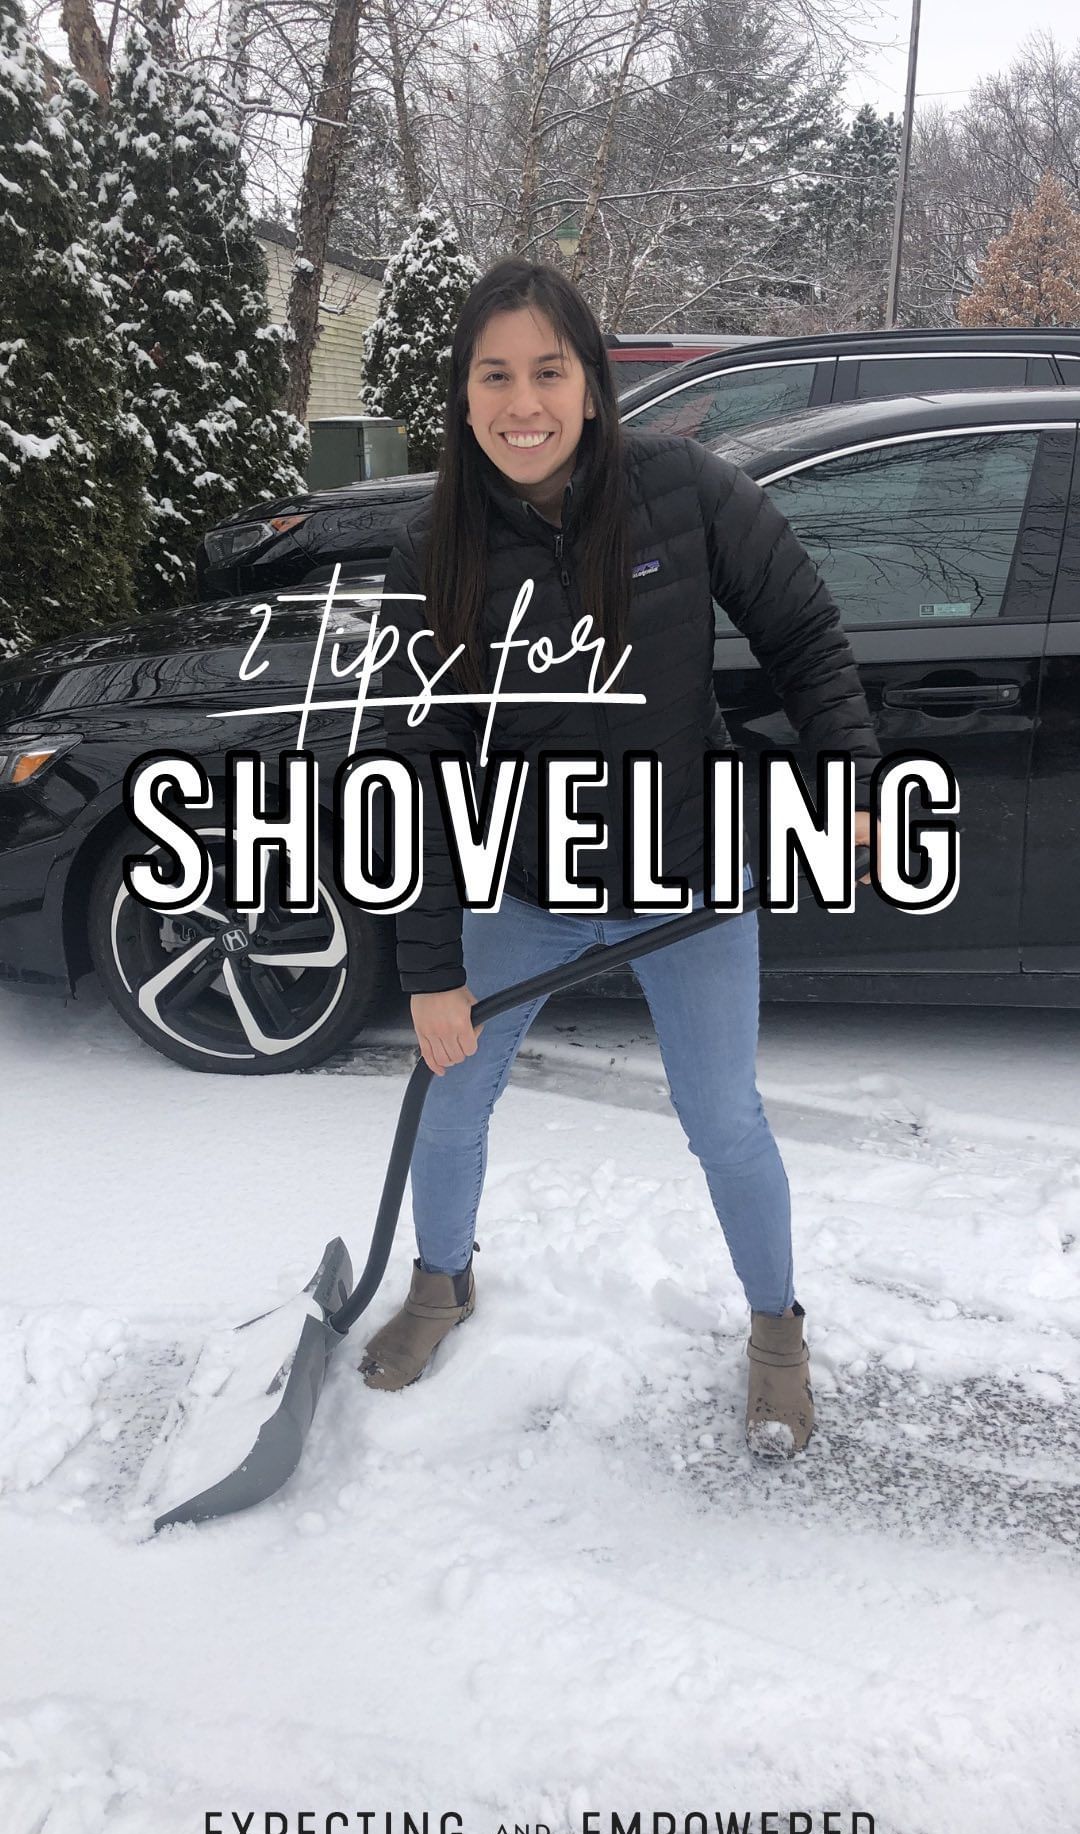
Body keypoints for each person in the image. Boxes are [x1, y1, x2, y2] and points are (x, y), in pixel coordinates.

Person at [358, 258, 880, 1459]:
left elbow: (803, 634)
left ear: (590, 383)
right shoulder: (431, 555)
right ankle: (441, 1282)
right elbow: (413, 769)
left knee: (724, 1117)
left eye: (548, 371)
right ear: (463, 395)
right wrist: (431, 970)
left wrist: (850, 774)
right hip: (524, 885)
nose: (523, 404)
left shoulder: (684, 490)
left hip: (686, 873)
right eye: (495, 376)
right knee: (453, 1093)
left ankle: (776, 1329)